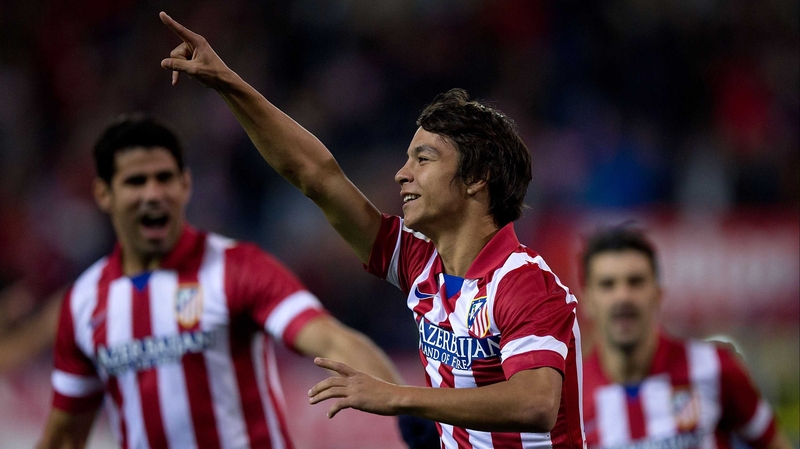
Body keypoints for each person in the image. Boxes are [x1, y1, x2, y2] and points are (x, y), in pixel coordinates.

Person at [157, 12, 585, 449]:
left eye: (423, 159)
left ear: (478, 178)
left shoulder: (525, 283)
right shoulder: (421, 264)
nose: (402, 175)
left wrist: (398, 396)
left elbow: (536, 404)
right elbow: (316, 177)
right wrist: (228, 82)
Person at [37, 116, 404, 449]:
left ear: (185, 185)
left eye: (164, 178)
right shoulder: (83, 302)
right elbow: (66, 434)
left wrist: (407, 408)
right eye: (136, 181)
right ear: (104, 194)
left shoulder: (236, 268)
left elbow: (329, 339)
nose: (153, 194)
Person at [579, 225, 793, 449]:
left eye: (636, 282)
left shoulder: (716, 368)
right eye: (607, 285)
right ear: (587, 301)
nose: (623, 296)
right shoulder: (571, 400)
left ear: (658, 294)